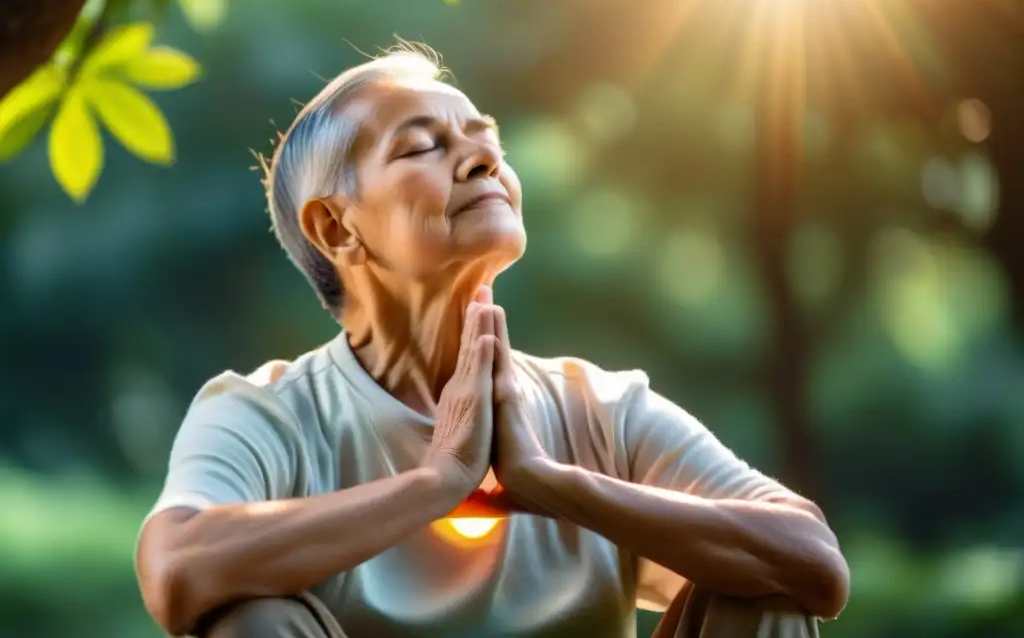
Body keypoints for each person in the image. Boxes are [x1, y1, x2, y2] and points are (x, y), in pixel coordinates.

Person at [135, 47, 849, 638]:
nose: (483, 163)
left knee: (765, 590)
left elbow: (815, 562)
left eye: (488, 144)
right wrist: (435, 483)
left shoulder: (601, 407)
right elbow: (177, 571)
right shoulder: (266, 414)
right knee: (244, 615)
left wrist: (552, 484)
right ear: (336, 229)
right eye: (423, 146)